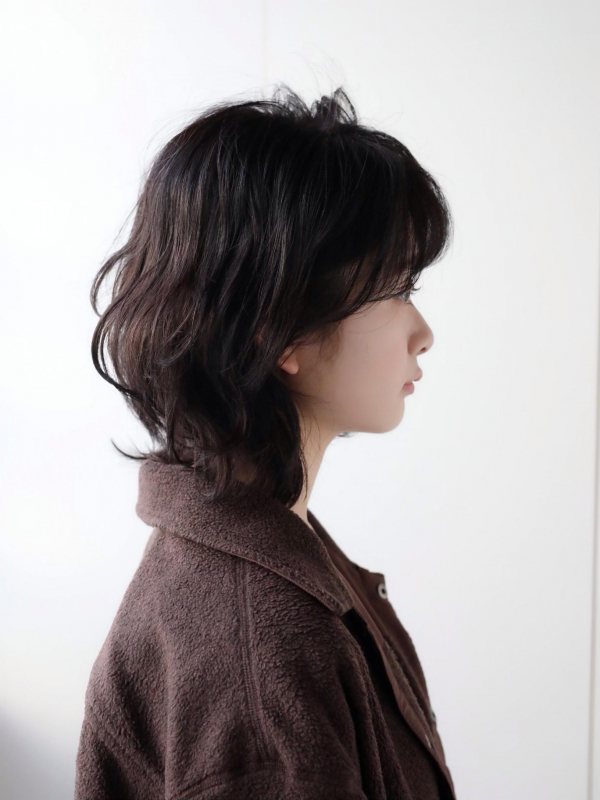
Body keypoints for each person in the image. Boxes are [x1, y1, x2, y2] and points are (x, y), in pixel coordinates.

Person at [74, 84, 456, 799]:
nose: (423, 334)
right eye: (398, 288)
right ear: (281, 330)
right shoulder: (258, 659)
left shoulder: (267, 557)